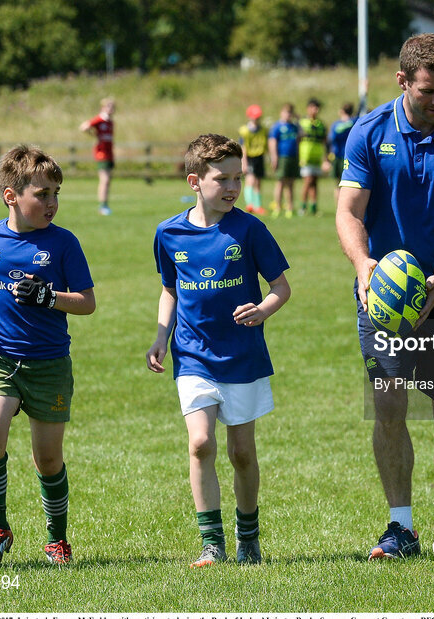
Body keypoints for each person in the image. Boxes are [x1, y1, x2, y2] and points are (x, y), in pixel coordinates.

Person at [335, 33, 434, 560]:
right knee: (389, 407)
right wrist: (363, 267)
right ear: (402, 80)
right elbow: (349, 212)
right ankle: (400, 526)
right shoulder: (367, 133)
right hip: (382, 292)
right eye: (429, 90)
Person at [146, 134, 291, 568]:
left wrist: (263, 310)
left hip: (242, 356)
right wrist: (160, 336)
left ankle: (248, 538)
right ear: (195, 180)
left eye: (238, 178)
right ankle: (212, 543)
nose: (232, 187)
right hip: (191, 354)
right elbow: (169, 290)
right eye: (221, 178)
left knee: (241, 452)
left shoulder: (249, 229)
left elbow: (281, 288)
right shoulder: (168, 233)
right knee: (200, 443)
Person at [0, 144, 96, 566]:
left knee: (48, 459)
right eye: (42, 194)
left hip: (48, 364)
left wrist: (49, 297)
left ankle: (56, 537)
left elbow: (86, 302)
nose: (52, 203)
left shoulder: (64, 243)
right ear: (11, 196)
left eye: (56, 194)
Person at [78, 97, 116, 215]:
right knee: (104, 180)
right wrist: (93, 135)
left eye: (113, 106)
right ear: (103, 108)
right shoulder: (100, 119)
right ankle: (103, 206)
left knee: (108, 180)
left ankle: (105, 204)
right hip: (102, 154)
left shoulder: (110, 122)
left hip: (109, 154)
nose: (111, 109)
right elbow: (84, 127)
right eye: (108, 106)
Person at [298, 98, 329, 215]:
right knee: (307, 181)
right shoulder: (302, 123)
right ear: (308, 108)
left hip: (317, 157)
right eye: (313, 107)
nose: (315, 110)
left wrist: (326, 158)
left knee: (315, 183)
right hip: (305, 157)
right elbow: (297, 140)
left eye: (317, 108)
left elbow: (325, 142)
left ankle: (314, 207)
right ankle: (303, 206)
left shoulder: (321, 125)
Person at [268, 104, 300, 218]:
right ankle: (277, 206)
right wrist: (274, 157)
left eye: (290, 113)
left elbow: (302, 135)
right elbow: (272, 142)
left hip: (293, 157)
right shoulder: (277, 127)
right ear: (281, 113)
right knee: (280, 182)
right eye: (286, 112)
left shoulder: (294, 126)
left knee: (291, 183)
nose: (288, 115)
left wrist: (298, 119)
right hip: (282, 157)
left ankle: (290, 207)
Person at [239, 104, 269, 215]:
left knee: (258, 182)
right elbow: (244, 147)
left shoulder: (263, 130)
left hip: (259, 156)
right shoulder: (245, 131)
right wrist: (244, 162)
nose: (256, 119)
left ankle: (258, 205)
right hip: (250, 157)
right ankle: (250, 204)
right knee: (250, 180)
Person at [329, 102, 358, 205]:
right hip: (350, 157)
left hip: (337, 157)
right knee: (349, 184)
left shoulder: (336, 125)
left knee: (338, 184)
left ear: (341, 111)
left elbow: (331, 139)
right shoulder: (355, 121)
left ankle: (339, 207)